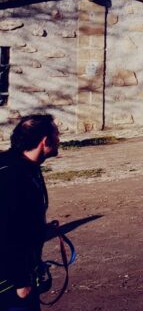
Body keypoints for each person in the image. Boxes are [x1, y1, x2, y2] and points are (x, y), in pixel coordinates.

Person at [0, 115, 60, 311]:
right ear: (45, 141)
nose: (59, 139)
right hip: (9, 281)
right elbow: (4, 232)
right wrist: (20, 280)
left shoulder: (26, 166)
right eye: (56, 135)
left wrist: (39, 226)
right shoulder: (11, 175)